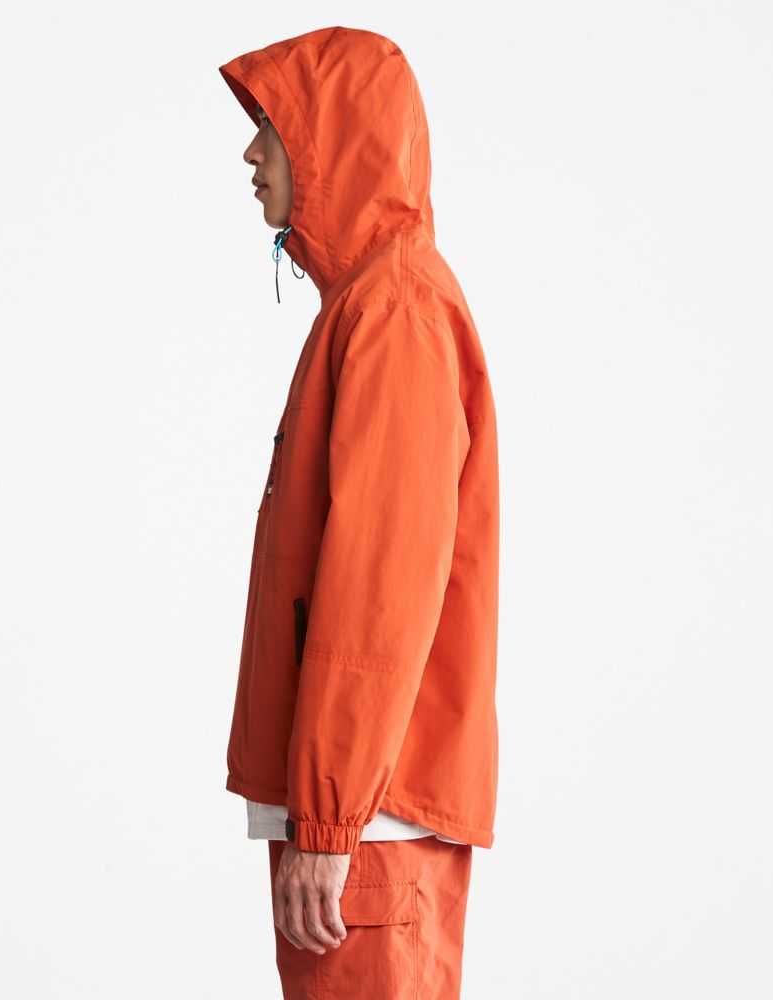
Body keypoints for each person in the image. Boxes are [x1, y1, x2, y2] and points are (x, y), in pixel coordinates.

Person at [219, 25, 500, 998]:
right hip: (357, 814)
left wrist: (331, 817)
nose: (249, 154)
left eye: (270, 128)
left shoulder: (394, 311)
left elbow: (381, 585)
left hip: (367, 819)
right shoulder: (368, 305)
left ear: (333, 139)